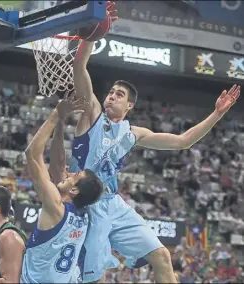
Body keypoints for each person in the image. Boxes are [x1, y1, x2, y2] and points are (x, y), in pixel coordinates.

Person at [67, 2, 241, 282]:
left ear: (130, 106)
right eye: (111, 91)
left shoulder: (134, 133)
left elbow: (183, 141)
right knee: (93, 276)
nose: (111, 96)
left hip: (113, 203)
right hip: (85, 204)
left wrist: (217, 113)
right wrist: (92, 34)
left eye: (119, 94)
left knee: (162, 256)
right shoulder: (92, 115)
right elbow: (79, 66)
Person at [20, 95, 103, 283]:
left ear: (74, 191)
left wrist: (57, 114)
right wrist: (61, 126)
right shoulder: (83, 215)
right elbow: (58, 167)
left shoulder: (56, 208)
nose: (68, 174)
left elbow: (32, 155)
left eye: (73, 176)